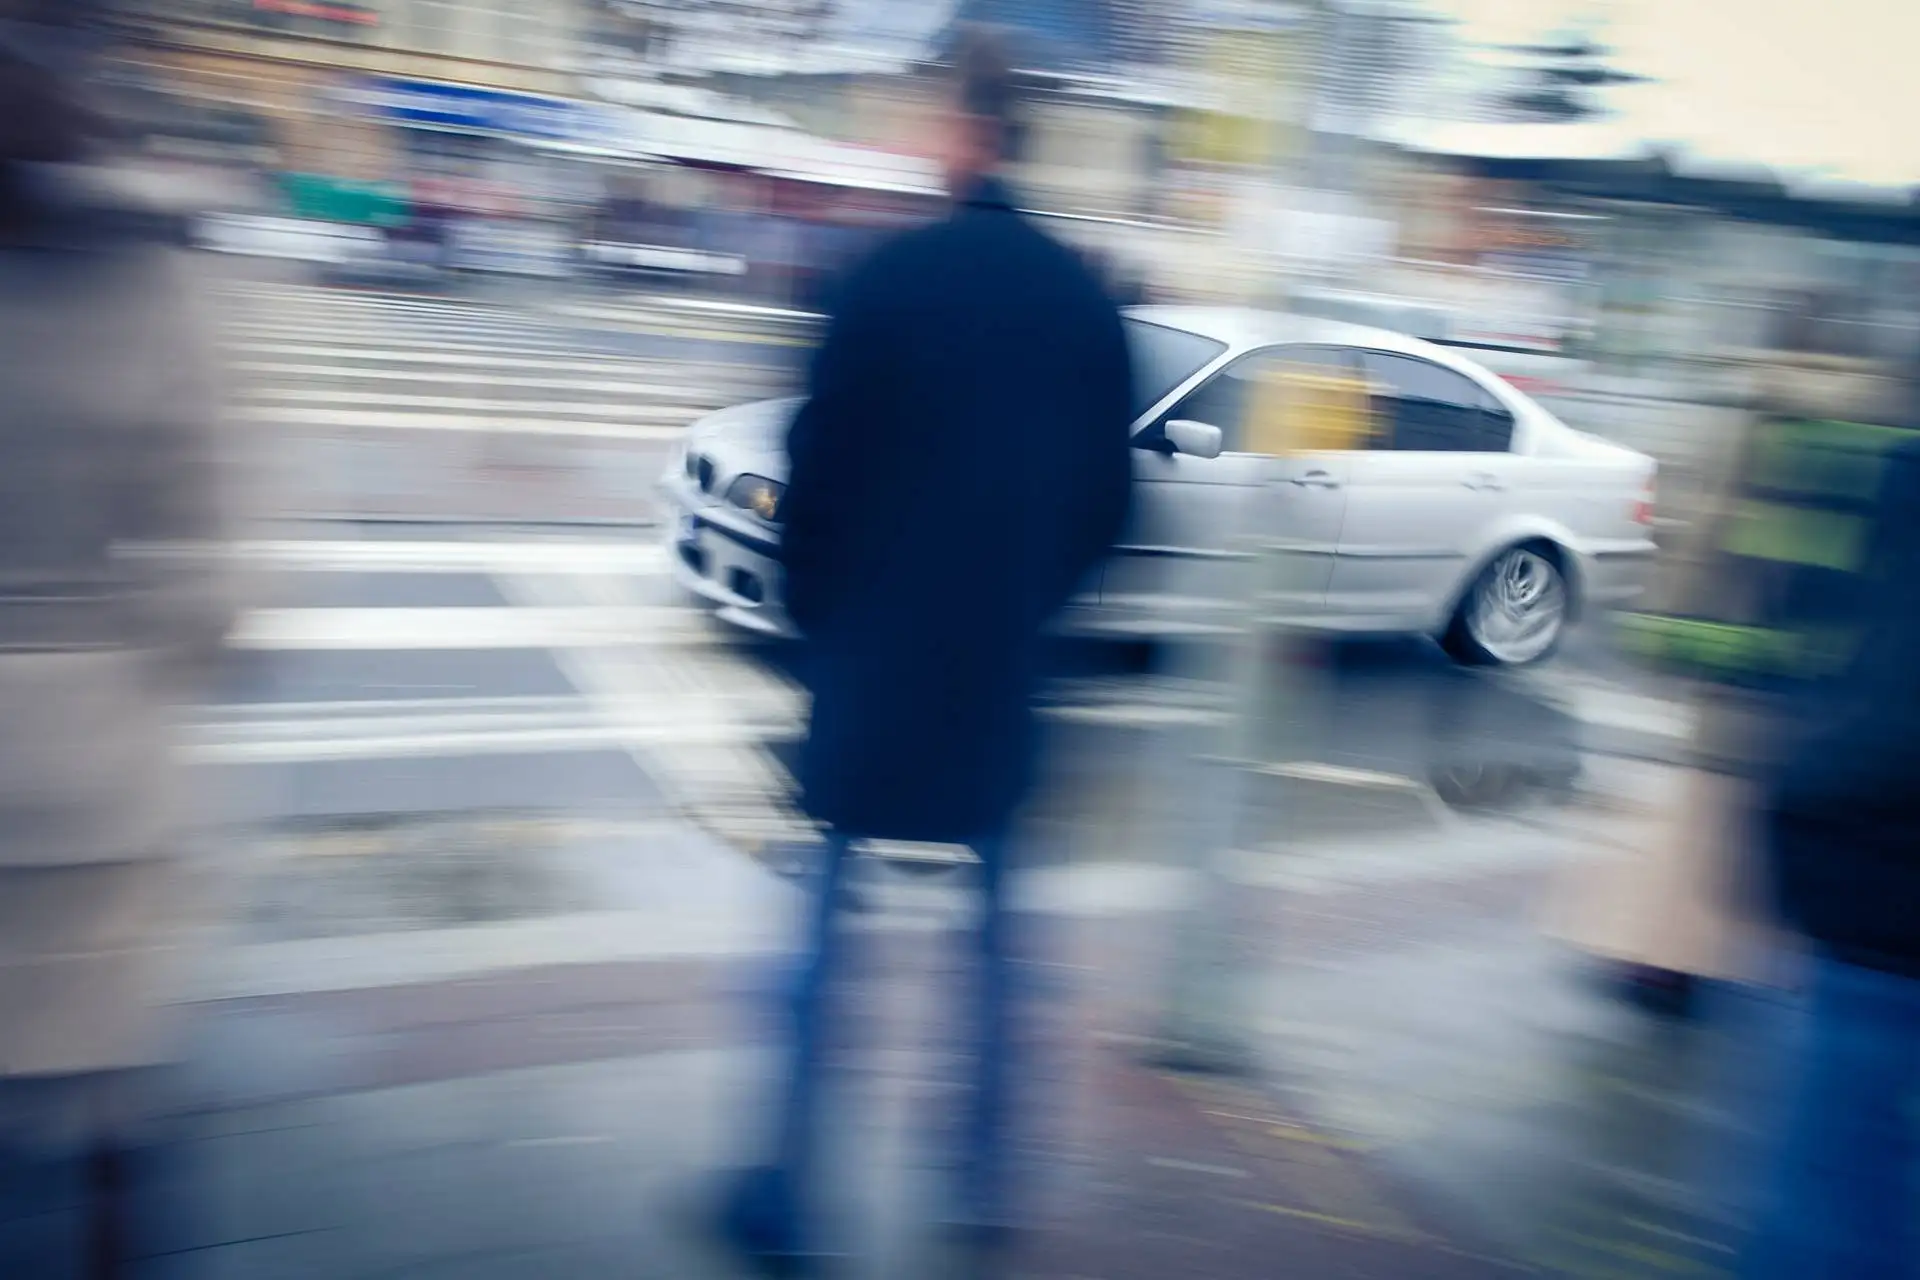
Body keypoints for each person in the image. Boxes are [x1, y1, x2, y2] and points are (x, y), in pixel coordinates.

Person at [717, 27, 1135, 1273]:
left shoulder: (880, 280)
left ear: (959, 132)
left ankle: (787, 1193)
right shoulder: (1082, 297)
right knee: (1001, 949)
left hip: (873, 669)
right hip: (1000, 670)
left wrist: (822, 618)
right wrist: (1025, 599)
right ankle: (982, 1183)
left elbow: (818, 469)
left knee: (823, 941)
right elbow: (1112, 507)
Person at [0, 6, 235, 1275]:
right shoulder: (146, 269)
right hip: (95, 760)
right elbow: (220, 558)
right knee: (105, 1101)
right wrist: (141, 673)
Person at [1739, 389, 1920, 1279]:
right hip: (1863, 881)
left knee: (1827, 1182)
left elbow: (1791, 623)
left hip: (1870, 885)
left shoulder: (1874, 467)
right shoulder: (1879, 467)